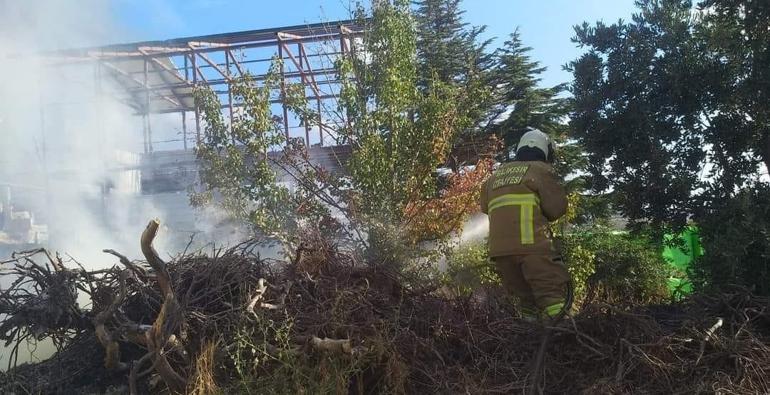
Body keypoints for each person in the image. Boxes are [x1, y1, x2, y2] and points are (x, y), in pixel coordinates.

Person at [479, 127, 571, 322]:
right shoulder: (540, 170)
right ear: (544, 150)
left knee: (526, 302)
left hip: (500, 252)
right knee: (552, 298)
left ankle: (528, 341)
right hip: (534, 248)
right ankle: (562, 339)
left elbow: (486, 207)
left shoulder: (495, 176)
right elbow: (556, 209)